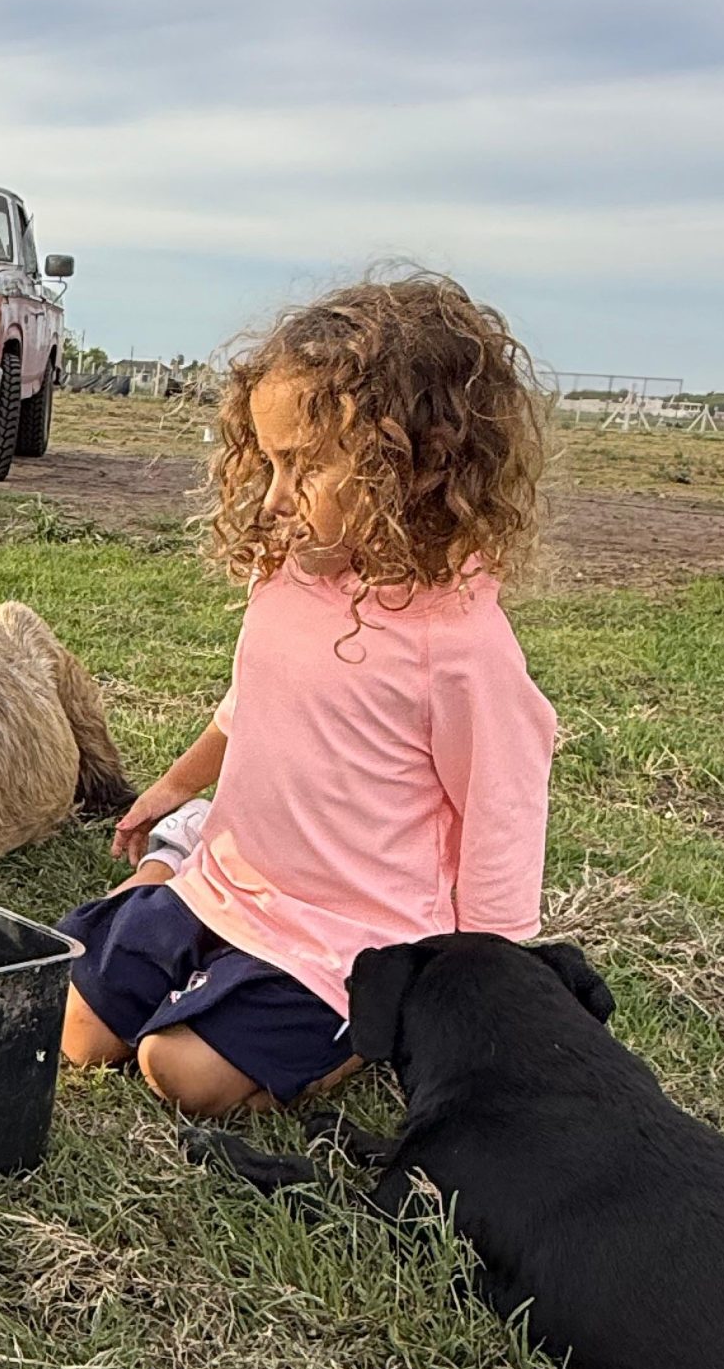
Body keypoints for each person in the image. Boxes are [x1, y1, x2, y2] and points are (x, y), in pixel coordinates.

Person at [60, 273, 556, 1121]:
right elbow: (251, 701)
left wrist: (477, 983)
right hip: (233, 878)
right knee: (75, 1034)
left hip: (345, 932)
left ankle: (363, 1029)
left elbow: (502, 808)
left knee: (178, 1071)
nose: (277, 497)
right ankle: (173, 876)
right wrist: (178, 785)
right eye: (270, 461)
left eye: (308, 466)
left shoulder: (461, 643)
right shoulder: (286, 573)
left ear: (417, 464)